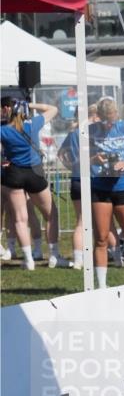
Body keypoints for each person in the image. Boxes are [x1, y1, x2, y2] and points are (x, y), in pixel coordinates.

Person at [0, 97, 65, 269]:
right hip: (34, 172)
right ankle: (53, 255)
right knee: (51, 214)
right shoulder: (32, 124)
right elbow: (53, 108)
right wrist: (29, 105)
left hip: (14, 173)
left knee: (20, 219)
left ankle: (28, 259)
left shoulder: (3, 131)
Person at [89, 98, 124, 288]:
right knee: (101, 238)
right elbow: (80, 159)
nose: (109, 124)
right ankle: (102, 286)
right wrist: (94, 159)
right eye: (105, 120)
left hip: (122, 186)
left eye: (112, 119)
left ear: (117, 115)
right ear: (99, 116)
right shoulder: (91, 130)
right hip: (100, 187)